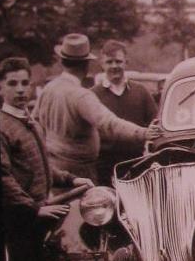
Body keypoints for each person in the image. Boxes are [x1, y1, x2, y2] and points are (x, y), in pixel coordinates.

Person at [0, 56, 91, 261]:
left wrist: (72, 180)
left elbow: (43, 167)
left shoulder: (30, 121)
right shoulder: (2, 126)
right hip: (19, 215)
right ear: (0, 88)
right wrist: (34, 208)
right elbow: (2, 176)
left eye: (25, 83)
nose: (21, 90)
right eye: (12, 84)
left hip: (40, 208)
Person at [35, 33, 152, 183]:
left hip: (53, 169)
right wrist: (143, 133)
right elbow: (109, 124)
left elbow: (35, 124)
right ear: (86, 65)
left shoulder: (49, 88)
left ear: (62, 62)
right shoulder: (82, 95)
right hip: (79, 171)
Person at [91, 39, 158, 183]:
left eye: (118, 61)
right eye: (109, 62)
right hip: (103, 167)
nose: (114, 66)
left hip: (137, 163)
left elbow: (155, 121)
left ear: (126, 62)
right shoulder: (92, 95)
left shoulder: (141, 92)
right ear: (102, 64)